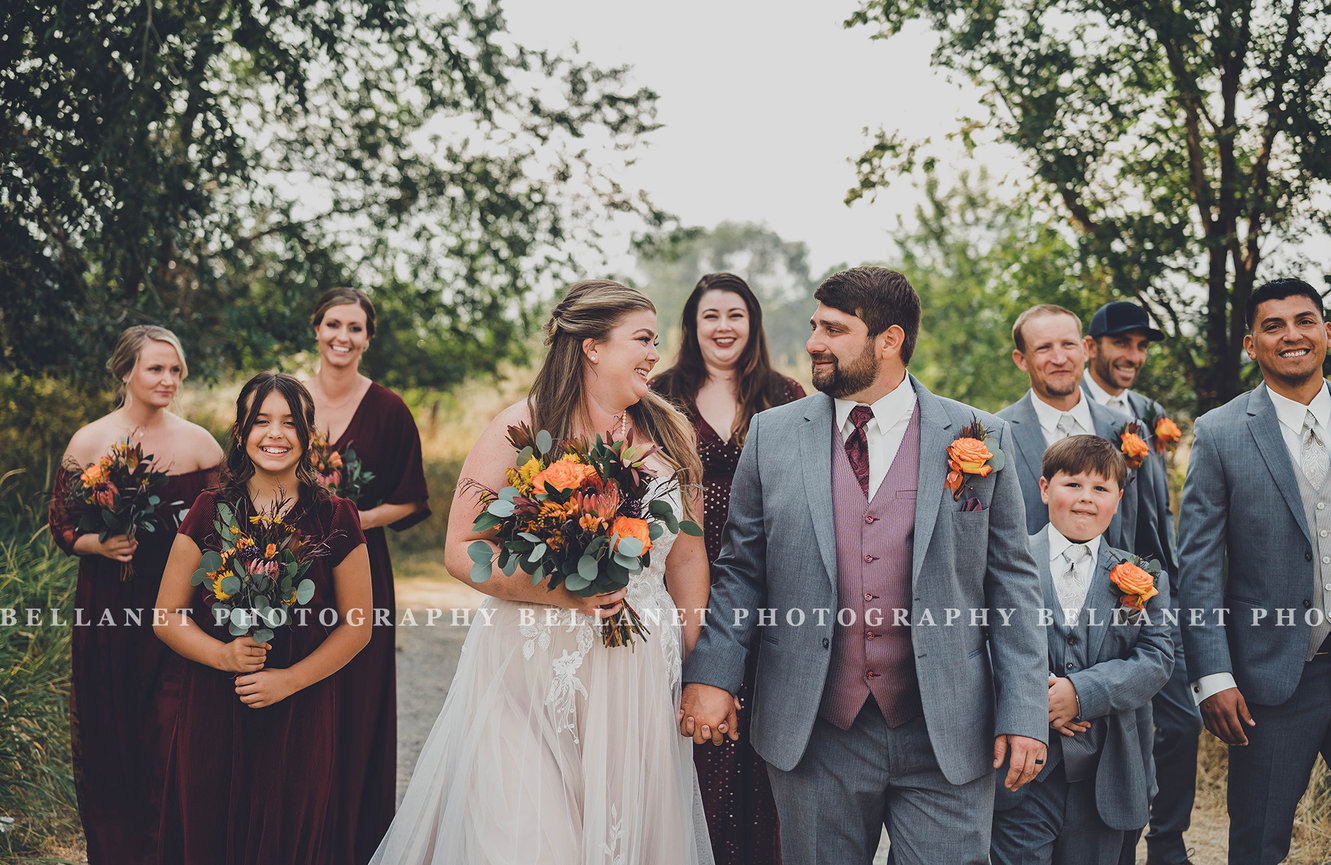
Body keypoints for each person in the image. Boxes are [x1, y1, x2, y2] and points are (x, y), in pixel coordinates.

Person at [680, 266, 1049, 865]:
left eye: (834, 328)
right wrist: (714, 672)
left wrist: (1025, 709)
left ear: (889, 340)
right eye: (813, 325)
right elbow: (742, 571)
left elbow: (1013, 588)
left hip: (947, 732)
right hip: (817, 729)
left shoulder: (982, 436)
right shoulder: (771, 437)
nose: (813, 343)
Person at [371, 280, 714, 864]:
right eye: (643, 339)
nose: (656, 354)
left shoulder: (670, 436)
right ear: (592, 347)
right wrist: (562, 591)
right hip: (525, 673)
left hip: (636, 679)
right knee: (530, 842)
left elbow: (686, 557)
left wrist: (693, 656)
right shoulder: (522, 429)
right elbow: (461, 547)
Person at [153, 372, 372, 862]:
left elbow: (359, 624)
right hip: (215, 699)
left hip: (301, 705)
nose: (275, 434)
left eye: (290, 423)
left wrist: (290, 680)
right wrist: (223, 654)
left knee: (287, 835)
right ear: (240, 432)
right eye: (261, 421)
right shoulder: (210, 510)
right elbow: (166, 616)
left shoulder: (335, 516)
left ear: (308, 434)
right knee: (209, 830)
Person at [49, 325, 222, 865]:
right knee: (112, 727)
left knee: (170, 727)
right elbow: (63, 526)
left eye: (175, 370)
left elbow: (225, 524)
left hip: (180, 607)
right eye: (156, 368)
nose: (168, 379)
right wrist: (102, 544)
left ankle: (171, 848)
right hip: (109, 605)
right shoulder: (90, 441)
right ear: (126, 372)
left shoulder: (199, 444)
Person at [651, 272, 803, 865]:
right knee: (691, 716)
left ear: (753, 324)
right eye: (710, 316)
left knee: (763, 728)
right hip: (679, 571)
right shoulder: (658, 395)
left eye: (735, 315)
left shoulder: (787, 396)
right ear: (692, 325)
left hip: (767, 579)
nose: (723, 327)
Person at [1178, 277, 1331, 865]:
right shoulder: (1219, 433)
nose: (1292, 335)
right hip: (1272, 679)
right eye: (1274, 326)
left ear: (1324, 332)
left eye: (1304, 320)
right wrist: (1211, 676)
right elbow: (1197, 563)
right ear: (1251, 344)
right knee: (1257, 844)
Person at [990, 435, 1173, 865]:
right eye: (1072, 485)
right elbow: (982, 642)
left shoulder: (1142, 577)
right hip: (1023, 773)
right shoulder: (1003, 561)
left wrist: (1080, 693)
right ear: (1043, 488)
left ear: (1118, 498)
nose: (1085, 499)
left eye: (1100, 489)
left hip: (1108, 771)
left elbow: (1157, 657)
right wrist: (1036, 698)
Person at [304, 287, 431, 864]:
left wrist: (351, 516)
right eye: (334, 324)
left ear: (368, 338)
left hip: (360, 563)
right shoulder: (287, 399)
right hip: (284, 561)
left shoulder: (389, 409)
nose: (343, 337)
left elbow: (410, 499)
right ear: (317, 328)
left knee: (357, 695)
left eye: (355, 328)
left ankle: (354, 840)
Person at [1082, 301, 1199, 865]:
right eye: (1121, 343)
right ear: (1093, 346)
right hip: (1090, 593)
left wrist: (1170, 574)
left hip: (1153, 589)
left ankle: (1169, 841)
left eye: (1142, 346)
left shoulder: (1147, 411)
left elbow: (1158, 505)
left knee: (1181, 719)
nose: (1132, 355)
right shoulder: (1073, 408)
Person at [999, 304, 1167, 563]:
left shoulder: (1129, 429)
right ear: (1021, 360)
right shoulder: (997, 434)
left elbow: (1149, 532)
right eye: (1044, 348)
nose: (1059, 358)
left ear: (1085, 349)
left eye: (1068, 345)